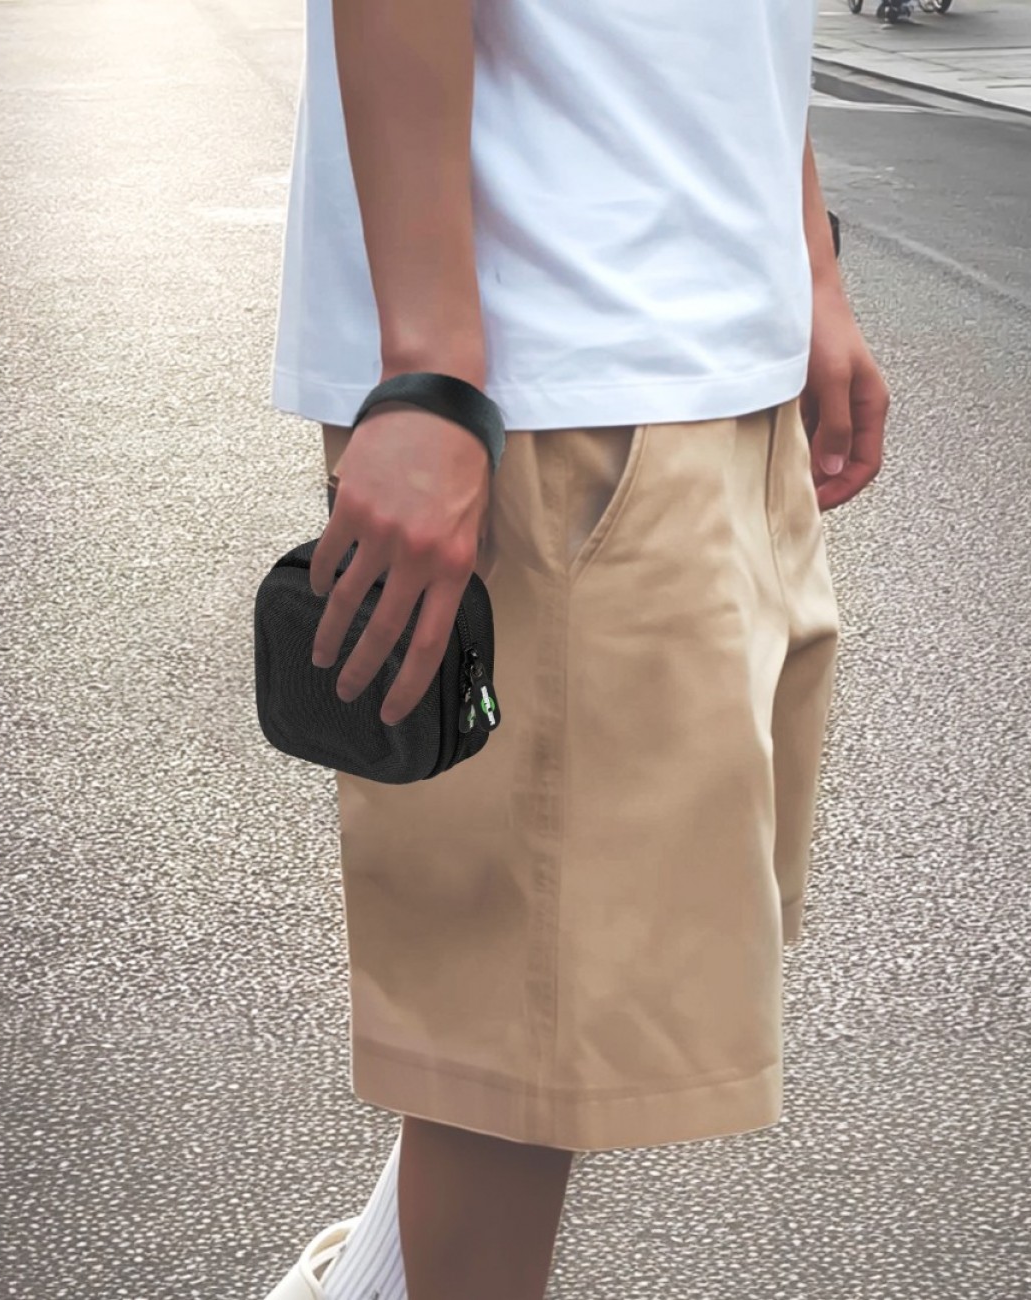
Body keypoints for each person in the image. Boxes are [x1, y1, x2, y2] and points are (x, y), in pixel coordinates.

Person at [265, 1, 888, 1297]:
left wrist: (809, 263)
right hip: (555, 371)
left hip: (710, 349)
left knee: (560, 1005)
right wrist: (432, 371)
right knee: (520, 1033)